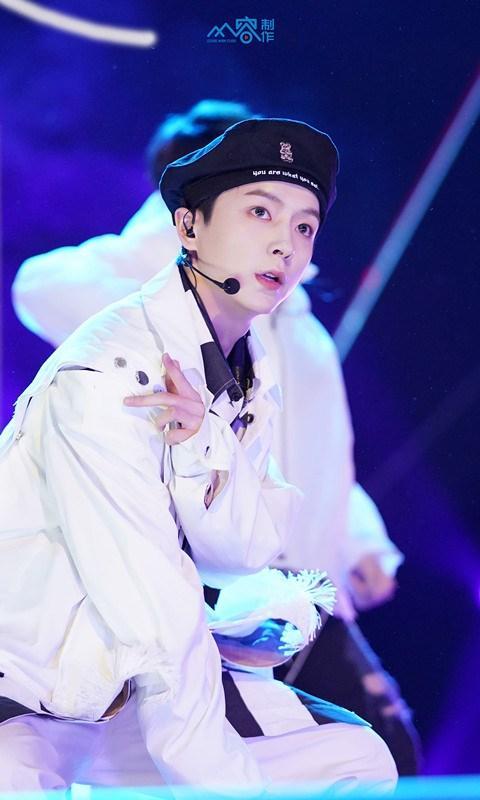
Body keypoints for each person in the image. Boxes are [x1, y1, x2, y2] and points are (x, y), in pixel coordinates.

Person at [12, 100, 420, 774]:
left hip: (259, 597)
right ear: (185, 221)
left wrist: (360, 539)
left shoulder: (275, 346)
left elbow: (310, 469)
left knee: (368, 756)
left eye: (304, 224)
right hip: (53, 683)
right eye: (258, 210)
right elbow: (149, 605)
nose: (285, 242)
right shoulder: (117, 369)